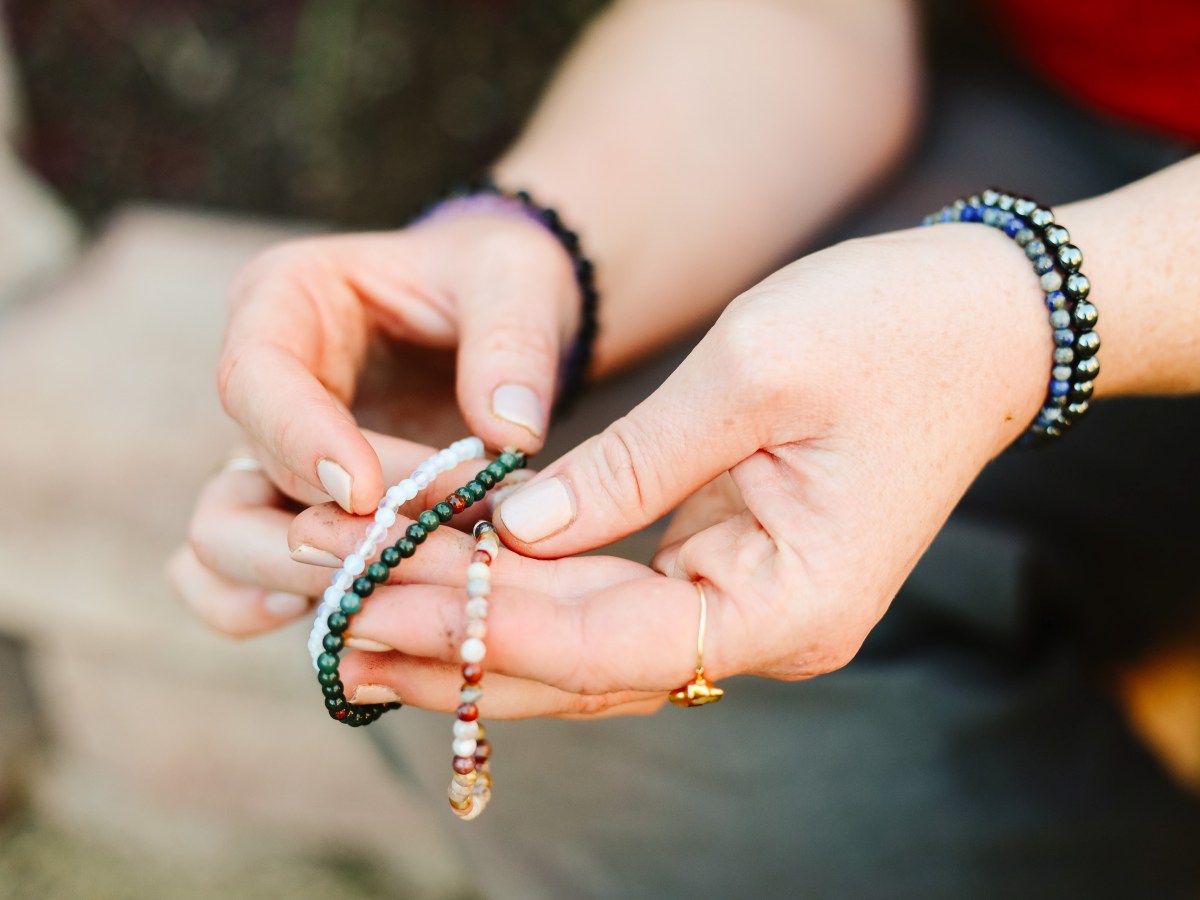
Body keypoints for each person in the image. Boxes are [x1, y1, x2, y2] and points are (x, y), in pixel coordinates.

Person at [171, 1, 1200, 895]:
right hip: (1083, 129)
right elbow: (801, 15)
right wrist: (526, 254)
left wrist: (1038, 310)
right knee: (522, 641)